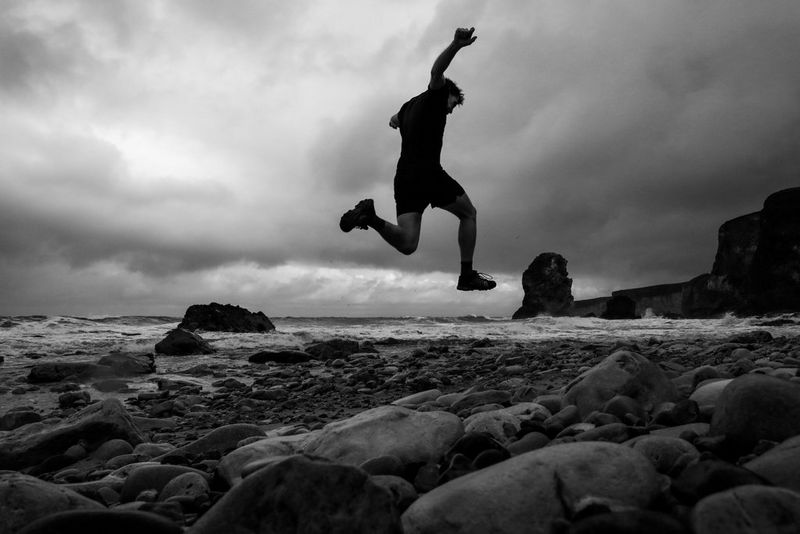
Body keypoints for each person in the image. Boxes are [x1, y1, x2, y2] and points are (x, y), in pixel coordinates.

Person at [340, 27, 496, 291]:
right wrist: (456, 45)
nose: (450, 109)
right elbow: (436, 72)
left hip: (405, 177)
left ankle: (370, 218)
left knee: (408, 244)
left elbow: (394, 119)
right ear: (448, 92)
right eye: (453, 103)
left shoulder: (407, 106)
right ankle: (466, 275)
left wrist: (396, 121)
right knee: (469, 214)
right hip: (428, 172)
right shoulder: (438, 94)